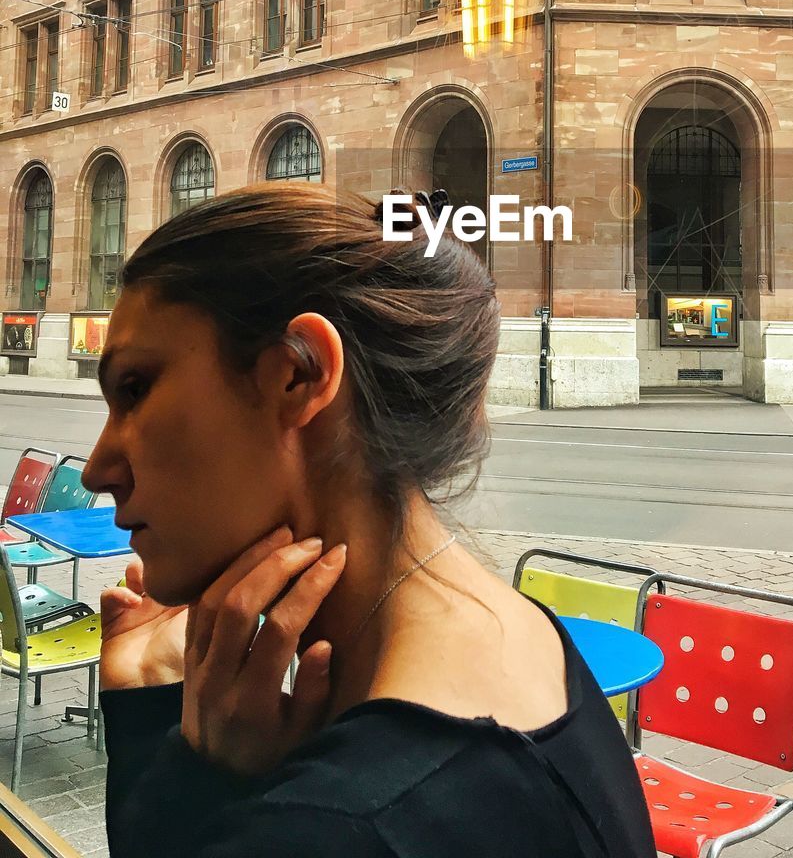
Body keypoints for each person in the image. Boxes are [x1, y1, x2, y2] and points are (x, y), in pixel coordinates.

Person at [84, 183, 656, 858]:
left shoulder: (333, 827)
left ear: (300, 373)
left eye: (134, 389)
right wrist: (161, 698)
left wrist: (183, 777)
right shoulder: (530, 645)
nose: (98, 468)